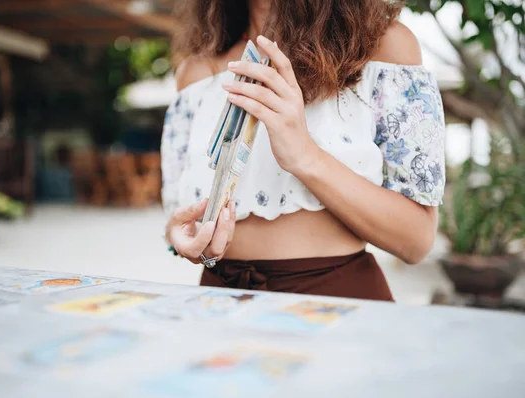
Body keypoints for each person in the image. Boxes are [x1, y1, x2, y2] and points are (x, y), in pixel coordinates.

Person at [161, 0, 446, 302]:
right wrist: (181, 239)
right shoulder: (194, 75)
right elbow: (178, 220)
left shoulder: (383, 47)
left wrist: (305, 157)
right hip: (217, 306)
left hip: (335, 303)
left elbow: (417, 240)